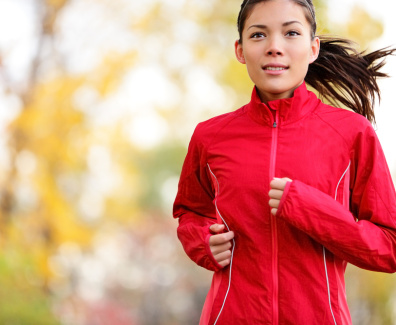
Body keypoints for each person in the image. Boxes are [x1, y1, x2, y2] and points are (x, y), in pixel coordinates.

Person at [173, 0, 396, 324]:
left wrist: (311, 209)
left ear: (313, 47)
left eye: (291, 33)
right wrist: (204, 242)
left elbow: (389, 247)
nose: (274, 47)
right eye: (258, 35)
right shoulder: (210, 137)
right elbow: (188, 213)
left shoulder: (352, 134)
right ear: (240, 49)